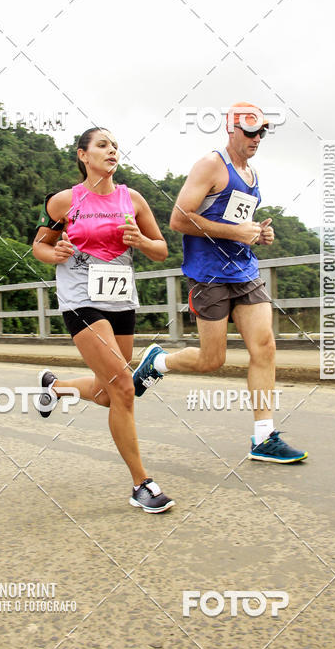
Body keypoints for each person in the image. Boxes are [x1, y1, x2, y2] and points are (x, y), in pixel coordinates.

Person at [132, 103, 308, 463]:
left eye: (262, 131)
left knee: (265, 347)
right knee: (212, 360)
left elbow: (239, 224)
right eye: (250, 131)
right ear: (230, 129)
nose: (257, 138)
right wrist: (236, 231)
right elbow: (179, 219)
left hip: (244, 272)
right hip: (208, 275)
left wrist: (259, 234)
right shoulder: (211, 165)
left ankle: (264, 438)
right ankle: (158, 362)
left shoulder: (252, 173)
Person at [32, 127, 175, 512]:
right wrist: (56, 252)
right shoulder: (65, 202)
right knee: (125, 388)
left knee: (108, 392)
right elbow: (39, 245)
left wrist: (141, 242)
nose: (111, 150)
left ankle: (55, 386)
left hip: (120, 299)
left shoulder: (133, 199)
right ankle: (141, 484)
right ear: (83, 155)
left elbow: (161, 250)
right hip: (81, 299)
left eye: (114, 145)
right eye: (102, 145)